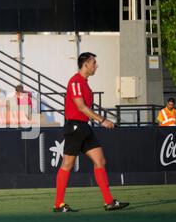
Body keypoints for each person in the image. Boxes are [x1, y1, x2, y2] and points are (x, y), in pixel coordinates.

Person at [53, 52, 129, 212]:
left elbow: (84, 109)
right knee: (67, 164)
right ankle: (58, 204)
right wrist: (103, 120)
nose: (96, 65)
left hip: (84, 127)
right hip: (75, 127)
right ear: (85, 64)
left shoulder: (85, 84)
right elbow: (80, 107)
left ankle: (109, 201)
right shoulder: (75, 82)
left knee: (100, 161)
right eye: (93, 62)